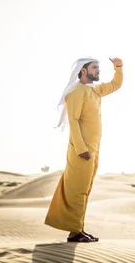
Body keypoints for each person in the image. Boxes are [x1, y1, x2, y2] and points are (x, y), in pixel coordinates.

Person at [45, 57, 124, 242]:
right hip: (82, 150)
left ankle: (78, 228)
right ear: (83, 70)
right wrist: (81, 148)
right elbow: (73, 121)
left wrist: (118, 67)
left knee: (86, 189)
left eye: (98, 68)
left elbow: (115, 84)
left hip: (93, 149)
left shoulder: (95, 91)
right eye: (95, 68)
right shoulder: (76, 93)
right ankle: (74, 232)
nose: (98, 71)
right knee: (78, 190)